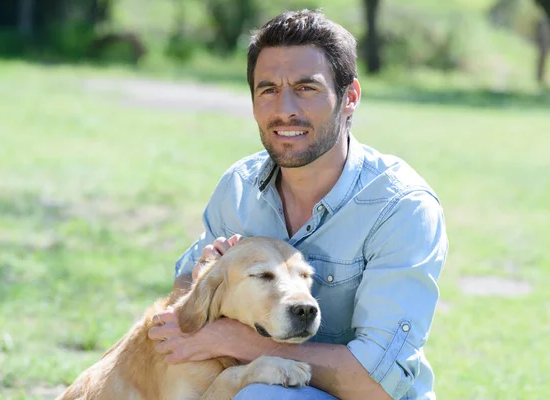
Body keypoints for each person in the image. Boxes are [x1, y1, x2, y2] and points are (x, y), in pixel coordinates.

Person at [147, 9, 448, 400]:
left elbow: (377, 382)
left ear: (350, 97)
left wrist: (238, 342)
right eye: (268, 89)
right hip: (255, 383)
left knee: (262, 394)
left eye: (306, 88)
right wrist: (210, 273)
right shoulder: (239, 187)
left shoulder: (402, 208)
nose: (284, 109)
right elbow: (183, 295)